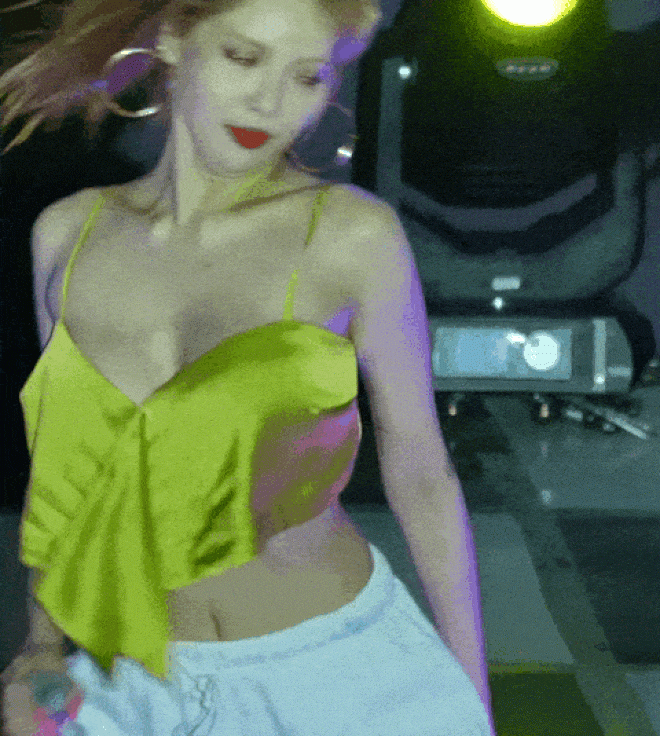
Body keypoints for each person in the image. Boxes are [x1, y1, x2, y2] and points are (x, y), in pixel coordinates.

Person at [0, 0, 493, 734]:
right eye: (244, 57)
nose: (271, 102)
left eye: (307, 77)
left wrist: (471, 698)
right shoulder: (67, 234)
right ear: (175, 38)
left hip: (340, 680)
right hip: (133, 682)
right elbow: (64, 475)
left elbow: (422, 472)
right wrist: (41, 645)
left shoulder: (350, 234)